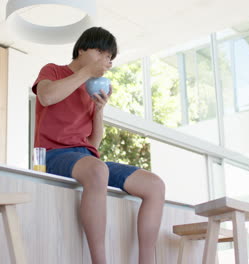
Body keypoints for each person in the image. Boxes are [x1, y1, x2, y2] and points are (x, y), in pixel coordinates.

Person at [32, 27, 166, 264]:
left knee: (155, 185)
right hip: (49, 155)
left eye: (109, 58)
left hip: (85, 157)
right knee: (97, 169)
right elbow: (47, 97)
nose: (106, 61)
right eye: (101, 53)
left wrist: (100, 109)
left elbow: (93, 143)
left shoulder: (92, 88)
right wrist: (85, 73)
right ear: (82, 49)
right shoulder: (53, 70)